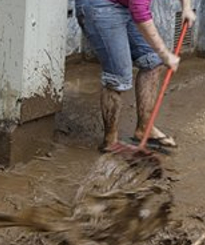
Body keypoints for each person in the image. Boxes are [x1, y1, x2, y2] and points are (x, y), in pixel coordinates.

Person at [74, 0, 196, 151]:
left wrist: (186, 7)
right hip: (99, 5)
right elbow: (140, 12)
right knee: (118, 76)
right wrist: (166, 54)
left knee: (152, 61)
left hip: (125, 5)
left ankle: (145, 128)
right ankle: (110, 141)